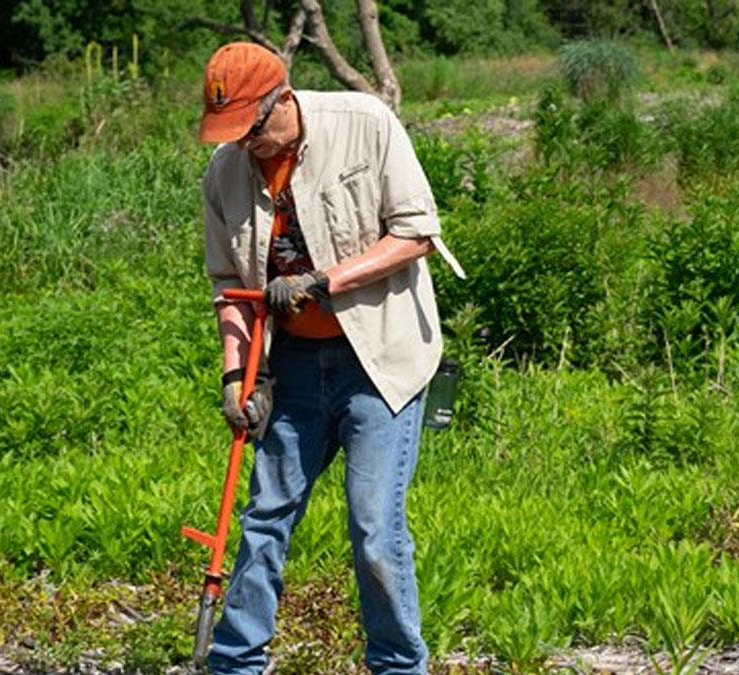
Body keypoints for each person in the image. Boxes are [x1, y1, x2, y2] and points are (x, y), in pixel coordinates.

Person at [196, 41, 462, 675]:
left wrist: (322, 282)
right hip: (291, 368)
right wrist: (237, 375)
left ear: (281, 101)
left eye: (252, 129)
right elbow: (228, 290)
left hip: (379, 358)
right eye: (231, 134)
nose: (245, 146)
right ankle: (235, 663)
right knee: (265, 516)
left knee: (374, 527)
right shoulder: (224, 175)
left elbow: (418, 232)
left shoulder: (363, 124)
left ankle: (399, 666)